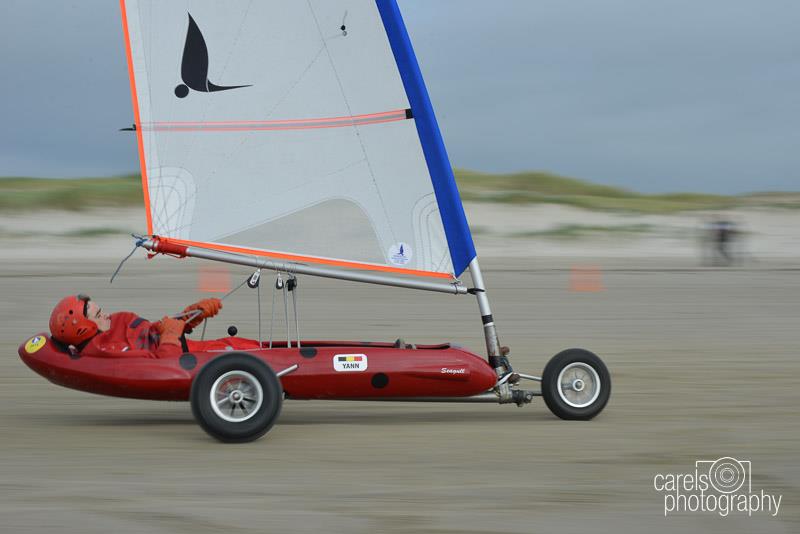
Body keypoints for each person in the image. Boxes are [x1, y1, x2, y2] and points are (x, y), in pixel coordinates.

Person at [48, 294, 240, 358]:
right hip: (190, 359)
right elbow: (166, 363)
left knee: (239, 343)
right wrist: (172, 331)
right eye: (98, 315)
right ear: (83, 328)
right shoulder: (105, 350)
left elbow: (155, 329)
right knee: (242, 350)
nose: (106, 315)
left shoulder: (117, 322)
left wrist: (192, 314)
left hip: (190, 348)